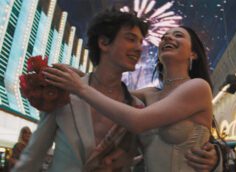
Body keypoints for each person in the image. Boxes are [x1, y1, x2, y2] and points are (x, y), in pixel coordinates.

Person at [14, 9, 219, 172]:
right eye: (164, 36)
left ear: (193, 54)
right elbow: (107, 90)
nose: (167, 38)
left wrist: (215, 157)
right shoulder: (146, 96)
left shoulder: (197, 87)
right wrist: (78, 76)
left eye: (178, 35)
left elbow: (138, 121)